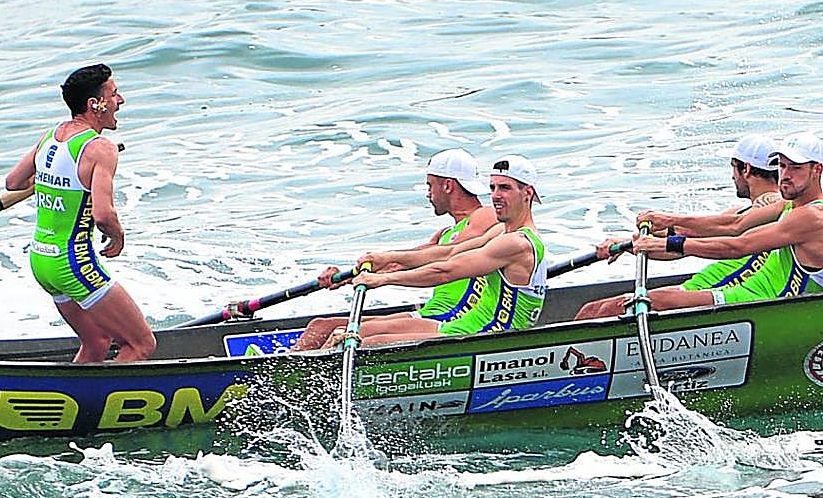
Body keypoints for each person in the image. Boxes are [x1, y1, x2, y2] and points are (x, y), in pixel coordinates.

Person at [301, 156, 547, 349]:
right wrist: (383, 260)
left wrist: (383, 279)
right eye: (493, 187)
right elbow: (448, 254)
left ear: (527, 193)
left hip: (489, 337)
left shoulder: (518, 243)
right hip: (465, 325)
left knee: (366, 343)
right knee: (350, 334)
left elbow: (446, 271)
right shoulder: (501, 234)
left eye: (504, 188)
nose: (494, 196)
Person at [5, 64, 156, 363]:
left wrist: (54, 183)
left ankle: (73, 400)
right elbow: (102, 214)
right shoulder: (101, 148)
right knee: (141, 345)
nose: (120, 100)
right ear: (94, 105)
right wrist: (118, 235)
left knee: (97, 342)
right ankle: (103, 406)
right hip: (74, 263)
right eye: (113, 94)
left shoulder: (52, 135)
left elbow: (13, 183)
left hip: (41, 260)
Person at [575, 134, 782, 319]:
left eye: (732, 168)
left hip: (723, 291)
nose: (732, 177)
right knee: (592, 310)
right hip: (700, 286)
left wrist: (669, 220)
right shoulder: (738, 212)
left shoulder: (775, 206)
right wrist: (627, 244)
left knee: (599, 312)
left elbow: (734, 227)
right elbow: (678, 248)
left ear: (745, 168)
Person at [625, 132, 823, 310]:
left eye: (795, 168)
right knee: (637, 301)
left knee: (652, 302)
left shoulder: (811, 217)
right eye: (782, 166)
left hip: (765, 304)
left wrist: (668, 243)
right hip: (753, 292)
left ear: (817, 170)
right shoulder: (788, 205)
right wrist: (669, 220)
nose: (785, 175)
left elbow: (738, 246)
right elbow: (733, 225)